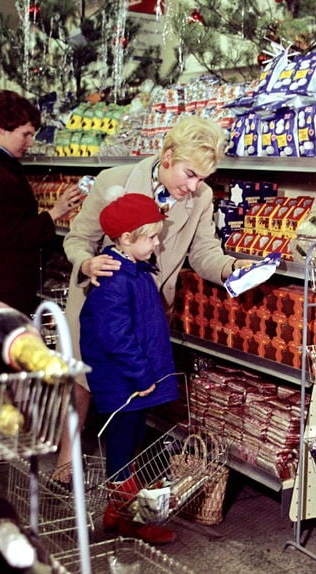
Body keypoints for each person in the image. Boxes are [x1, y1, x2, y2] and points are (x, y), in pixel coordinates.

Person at [53, 114, 253, 481]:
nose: (194, 186)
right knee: (82, 382)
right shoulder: (113, 181)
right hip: (100, 302)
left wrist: (232, 268)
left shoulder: (201, 197)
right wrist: (86, 263)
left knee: (134, 387)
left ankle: (120, 476)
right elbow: (77, 238)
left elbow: (204, 253)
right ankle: (66, 459)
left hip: (149, 311)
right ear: (167, 158)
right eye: (189, 174)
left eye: (203, 178)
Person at [80, 191, 177, 544]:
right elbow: (115, 336)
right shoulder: (115, 279)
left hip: (132, 380)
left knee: (132, 440)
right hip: (125, 381)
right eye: (151, 237)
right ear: (125, 239)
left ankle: (118, 511)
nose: (156, 243)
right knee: (123, 443)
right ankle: (128, 517)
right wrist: (142, 375)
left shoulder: (133, 269)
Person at [0, 90, 82, 314]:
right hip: (2, 284)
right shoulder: (0, 175)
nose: (30, 142)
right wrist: (55, 212)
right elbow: (13, 235)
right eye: (25, 134)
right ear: (2, 128)